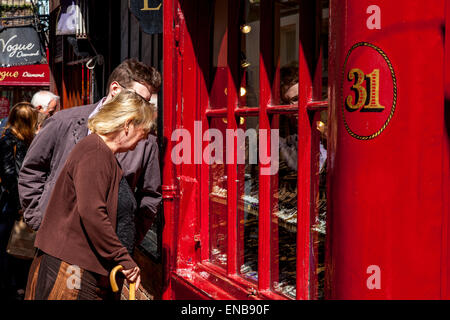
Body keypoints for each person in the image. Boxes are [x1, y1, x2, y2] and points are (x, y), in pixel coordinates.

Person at [25, 90, 154, 300]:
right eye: (144, 129)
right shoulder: (95, 153)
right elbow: (92, 212)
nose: (146, 136)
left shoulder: (100, 152)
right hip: (70, 269)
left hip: (76, 266)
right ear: (128, 124)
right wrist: (124, 259)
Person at [18, 59, 162, 246]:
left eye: (148, 103)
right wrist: (38, 218)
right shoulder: (63, 121)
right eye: (139, 99)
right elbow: (32, 170)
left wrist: (128, 240)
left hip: (108, 249)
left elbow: (150, 196)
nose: (144, 108)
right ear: (115, 89)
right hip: (56, 241)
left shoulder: (146, 141)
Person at [0, 102, 37, 300]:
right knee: (10, 245)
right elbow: (9, 175)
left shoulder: (25, 140)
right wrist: (21, 204)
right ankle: (11, 287)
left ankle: (18, 284)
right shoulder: (9, 141)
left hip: (19, 202)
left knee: (19, 244)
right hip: (11, 204)